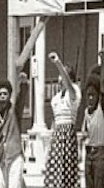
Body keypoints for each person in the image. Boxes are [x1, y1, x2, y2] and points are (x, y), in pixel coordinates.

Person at [44, 52, 81, 188]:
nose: (60, 79)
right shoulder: (56, 98)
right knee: (54, 174)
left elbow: (69, 85)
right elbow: (54, 122)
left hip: (68, 134)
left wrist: (58, 63)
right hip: (57, 135)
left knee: (67, 173)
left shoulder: (74, 92)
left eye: (63, 76)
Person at [0, 72, 29, 188]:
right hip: (2, 160)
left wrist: (23, 84)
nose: (2, 96)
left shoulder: (14, 111)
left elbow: (20, 100)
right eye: (0, 94)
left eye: (5, 94)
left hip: (14, 156)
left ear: (9, 96)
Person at [82, 73, 104, 188]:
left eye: (93, 95)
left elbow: (103, 88)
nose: (91, 98)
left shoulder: (100, 109)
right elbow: (84, 132)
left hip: (99, 154)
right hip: (88, 153)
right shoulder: (86, 112)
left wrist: (102, 63)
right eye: (88, 95)